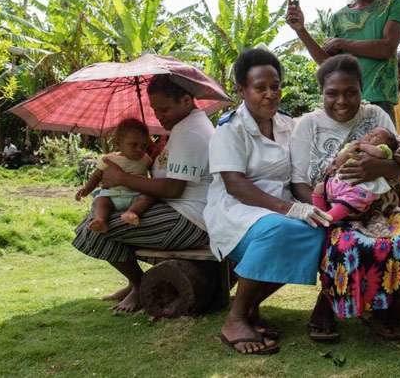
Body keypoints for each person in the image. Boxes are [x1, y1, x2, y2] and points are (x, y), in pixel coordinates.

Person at [291, 55, 400, 341]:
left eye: (351, 92)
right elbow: (298, 180)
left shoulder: (375, 116)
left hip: (381, 206)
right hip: (329, 208)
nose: (342, 100)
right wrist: (321, 207)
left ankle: (383, 303)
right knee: (347, 241)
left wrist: (377, 168)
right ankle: (330, 303)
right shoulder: (307, 124)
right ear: (321, 92)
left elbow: (399, 164)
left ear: (362, 90)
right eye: (332, 93)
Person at [204, 49, 332, 356]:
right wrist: (290, 209)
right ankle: (235, 319)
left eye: (275, 86)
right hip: (235, 213)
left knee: (318, 232)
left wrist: (317, 206)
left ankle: (250, 309)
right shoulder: (229, 129)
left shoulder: (289, 125)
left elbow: (300, 175)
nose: (270, 94)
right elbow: (235, 185)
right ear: (242, 90)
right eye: (260, 88)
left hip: (279, 210)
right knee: (279, 230)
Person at [72, 74, 213, 313]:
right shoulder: (184, 128)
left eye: (165, 109)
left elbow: (172, 188)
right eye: (155, 109)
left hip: (189, 220)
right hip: (181, 212)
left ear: (187, 101)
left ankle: (139, 285)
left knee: (93, 230)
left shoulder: (190, 132)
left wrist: (122, 178)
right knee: (103, 218)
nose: (159, 116)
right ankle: (134, 283)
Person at [286, 0, 400, 120]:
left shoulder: (393, 3)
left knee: (380, 148)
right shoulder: (338, 18)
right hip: (345, 104)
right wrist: (301, 30)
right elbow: (327, 63)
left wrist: (342, 43)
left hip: (379, 102)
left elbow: (387, 48)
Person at [75, 118, 155, 232]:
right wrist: (86, 189)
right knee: (101, 200)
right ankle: (100, 220)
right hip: (112, 195)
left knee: (148, 197)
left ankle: (132, 212)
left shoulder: (146, 159)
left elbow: (153, 176)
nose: (139, 149)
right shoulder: (109, 159)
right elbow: (96, 176)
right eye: (134, 145)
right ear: (118, 143)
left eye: (144, 145)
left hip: (136, 196)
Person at [312, 127, 399, 223]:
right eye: (370, 132)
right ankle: (320, 213)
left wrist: (362, 146)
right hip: (339, 182)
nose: (370, 135)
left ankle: (328, 219)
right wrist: (348, 151)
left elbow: (381, 154)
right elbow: (338, 163)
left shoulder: (382, 149)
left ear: (385, 144)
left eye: (377, 137)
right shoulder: (351, 146)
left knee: (346, 204)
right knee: (319, 187)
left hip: (359, 189)